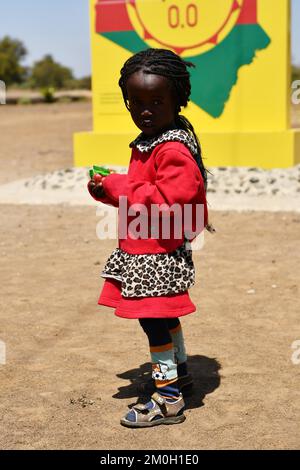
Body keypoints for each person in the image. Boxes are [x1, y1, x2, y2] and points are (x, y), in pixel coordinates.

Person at [88, 48, 209, 428]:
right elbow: (143, 192)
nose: (145, 110)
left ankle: (168, 399)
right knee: (164, 316)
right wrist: (106, 189)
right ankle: (181, 374)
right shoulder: (154, 139)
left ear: (177, 98)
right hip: (147, 249)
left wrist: (118, 185)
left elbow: (168, 199)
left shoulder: (172, 148)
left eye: (156, 101)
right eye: (135, 101)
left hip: (157, 255)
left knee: (154, 322)